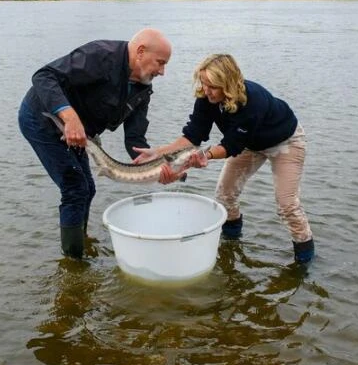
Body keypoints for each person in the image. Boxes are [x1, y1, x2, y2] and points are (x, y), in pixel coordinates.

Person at [134, 53, 315, 264]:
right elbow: (193, 135)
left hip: (285, 142)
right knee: (224, 195)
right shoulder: (206, 97)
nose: (206, 90)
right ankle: (231, 242)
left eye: (212, 86)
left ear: (227, 84)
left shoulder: (253, 100)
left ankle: (305, 261)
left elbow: (231, 146)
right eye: (203, 83)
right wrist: (159, 152)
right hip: (248, 143)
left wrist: (206, 155)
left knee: (287, 205)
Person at [18, 28, 172, 258]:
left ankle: (80, 241)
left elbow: (135, 139)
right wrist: (69, 117)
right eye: (160, 63)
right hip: (41, 117)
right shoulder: (101, 55)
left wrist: (155, 167)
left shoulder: (143, 88)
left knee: (88, 188)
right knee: (75, 188)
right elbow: (44, 76)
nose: (162, 71)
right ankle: (74, 261)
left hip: (82, 134)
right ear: (140, 51)